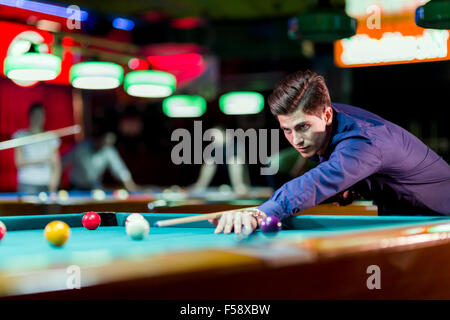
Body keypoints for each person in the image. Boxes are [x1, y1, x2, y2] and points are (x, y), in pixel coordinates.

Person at [212, 70, 450, 234]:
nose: (296, 140)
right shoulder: (337, 120)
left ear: (326, 115)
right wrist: (357, 187)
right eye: (287, 130)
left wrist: (261, 213)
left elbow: (320, 179)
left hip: (442, 222)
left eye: (303, 127)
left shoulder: (363, 141)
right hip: (412, 220)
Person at [63, 130, 138, 192]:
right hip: (76, 187)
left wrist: (132, 189)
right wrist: (58, 186)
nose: (105, 145)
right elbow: (62, 163)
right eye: (104, 142)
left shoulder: (108, 150)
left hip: (95, 188)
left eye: (108, 143)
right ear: (98, 138)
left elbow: (121, 171)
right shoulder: (81, 147)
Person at [13, 103, 61, 193]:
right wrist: (43, 160)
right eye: (36, 115)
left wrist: (54, 183)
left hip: (46, 183)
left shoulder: (51, 137)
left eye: (41, 114)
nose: (38, 118)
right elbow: (19, 162)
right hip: (27, 183)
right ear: (30, 116)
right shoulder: (20, 135)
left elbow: (56, 165)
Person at [190, 126, 251, 196]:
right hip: (220, 182)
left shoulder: (237, 146)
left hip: (241, 181)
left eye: (216, 136)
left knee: (234, 161)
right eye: (212, 137)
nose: (214, 139)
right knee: (210, 162)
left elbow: (243, 166)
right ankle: (200, 186)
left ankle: (239, 187)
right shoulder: (213, 148)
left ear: (226, 136)